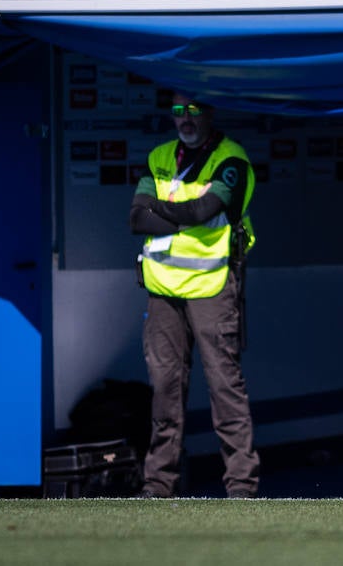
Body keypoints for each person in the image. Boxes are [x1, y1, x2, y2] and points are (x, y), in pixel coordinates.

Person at [129, 92, 259, 498]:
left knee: (225, 389)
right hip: (161, 289)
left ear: (210, 112)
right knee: (164, 390)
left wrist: (163, 210)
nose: (185, 119)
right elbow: (136, 218)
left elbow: (207, 210)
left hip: (213, 286)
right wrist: (185, 215)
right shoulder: (159, 156)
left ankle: (241, 487)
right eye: (178, 111)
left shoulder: (231, 157)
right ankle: (158, 487)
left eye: (194, 111)